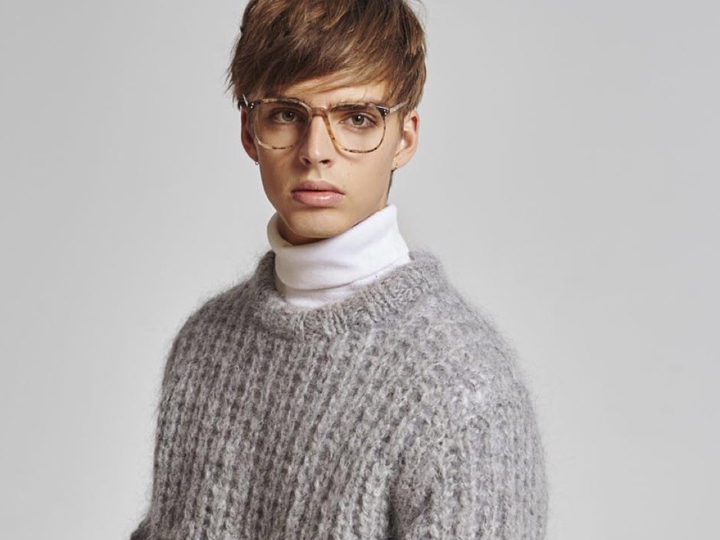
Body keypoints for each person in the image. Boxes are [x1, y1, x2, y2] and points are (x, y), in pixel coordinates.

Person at [128, 0, 549, 538]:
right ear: (249, 132)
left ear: (404, 138)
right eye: (286, 114)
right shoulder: (204, 344)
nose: (316, 151)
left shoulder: (465, 392)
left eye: (357, 118)